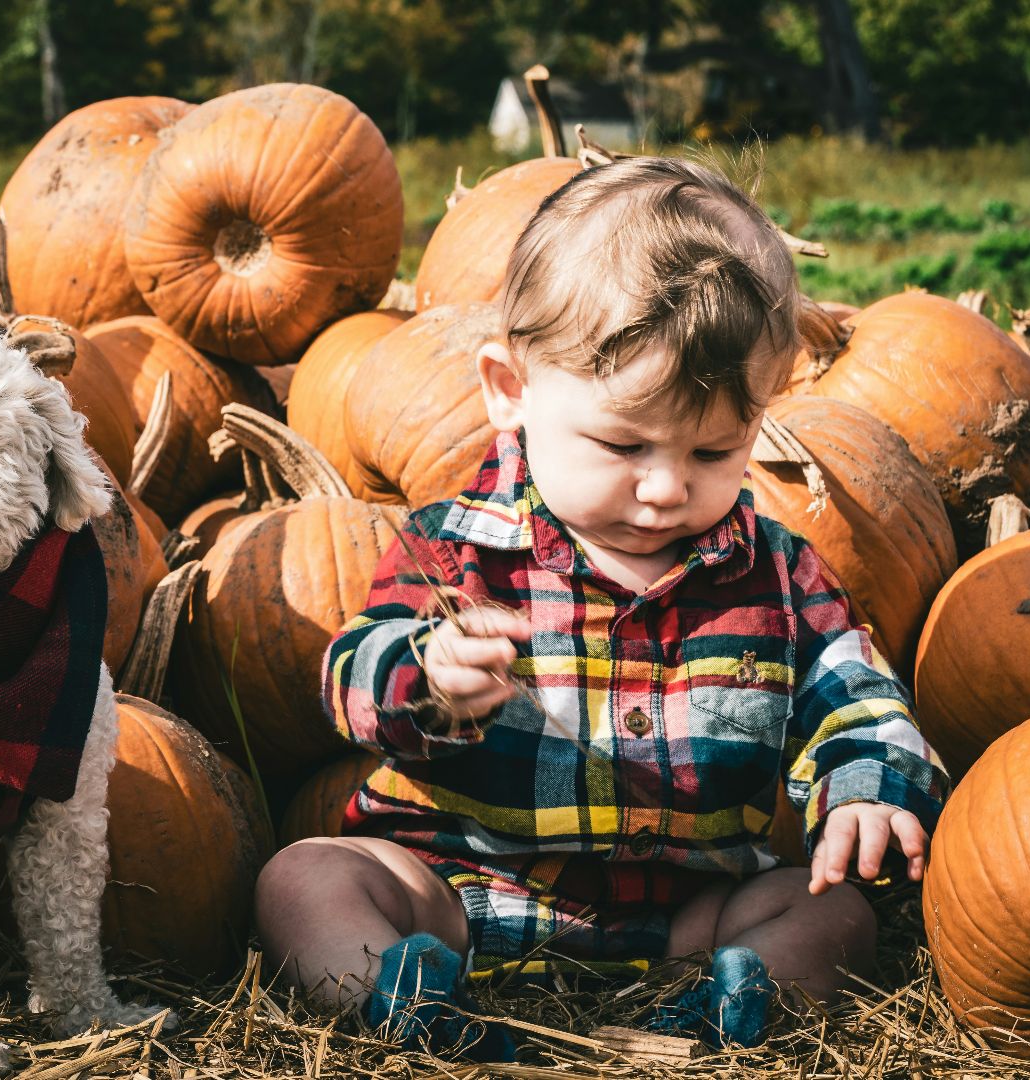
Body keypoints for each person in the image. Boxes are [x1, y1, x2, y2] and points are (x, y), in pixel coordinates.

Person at [253, 155, 950, 1060]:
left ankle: (715, 1010)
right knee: (303, 877)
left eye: (713, 451)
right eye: (623, 441)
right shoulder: (454, 547)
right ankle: (411, 1004)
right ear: (512, 390)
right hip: (456, 891)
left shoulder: (777, 574)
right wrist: (423, 678)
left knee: (831, 916)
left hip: (685, 918)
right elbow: (349, 670)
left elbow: (855, 694)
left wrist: (865, 785)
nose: (665, 488)